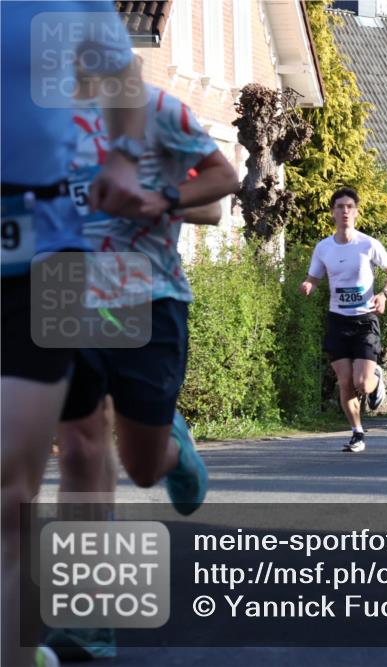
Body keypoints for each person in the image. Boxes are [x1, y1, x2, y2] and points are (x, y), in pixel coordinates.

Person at [42, 73, 239, 660]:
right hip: (62, 290)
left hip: (145, 294)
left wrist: (161, 199)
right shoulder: (31, 113)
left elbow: (221, 186)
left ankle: (174, 445)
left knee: (143, 466)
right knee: (80, 448)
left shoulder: (153, 108)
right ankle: (88, 620)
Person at [2, 4, 147, 666]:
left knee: (82, 439)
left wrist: (128, 169)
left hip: (66, 264)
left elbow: (129, 83)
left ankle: (87, 606)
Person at [301, 187, 387, 452]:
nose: (345, 211)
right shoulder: (324, 248)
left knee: (362, 383)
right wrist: (309, 285)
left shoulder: (368, 244)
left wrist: (384, 294)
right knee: (345, 382)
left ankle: (376, 377)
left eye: (349, 207)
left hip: (365, 320)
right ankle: (357, 432)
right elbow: (314, 276)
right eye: (340, 207)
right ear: (333, 212)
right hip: (338, 320)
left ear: (356, 212)